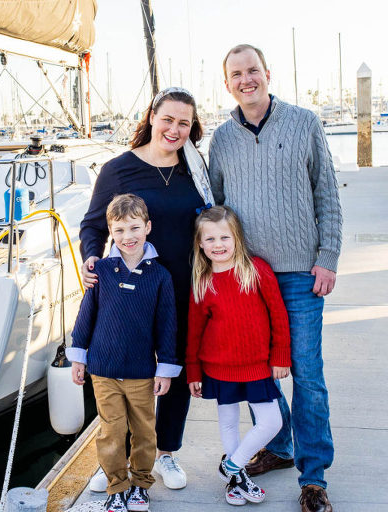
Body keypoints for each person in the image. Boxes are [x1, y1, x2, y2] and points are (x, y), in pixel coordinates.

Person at [209, 44, 342, 512]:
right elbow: (216, 210)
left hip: (300, 274)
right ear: (227, 84)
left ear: (267, 73)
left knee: (307, 376)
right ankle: (280, 446)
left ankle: (314, 476)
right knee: (257, 372)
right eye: (236, 74)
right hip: (246, 280)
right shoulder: (222, 139)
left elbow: (327, 194)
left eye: (252, 71)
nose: (246, 80)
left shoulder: (304, 123)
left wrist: (328, 257)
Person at [80, 87, 213, 490]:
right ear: (152, 117)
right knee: (123, 375)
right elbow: (93, 225)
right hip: (128, 291)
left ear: (192, 128)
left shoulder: (195, 170)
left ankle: (166, 453)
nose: (174, 129)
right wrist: (90, 259)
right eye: (167, 119)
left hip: (184, 287)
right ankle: (115, 461)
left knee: (174, 370)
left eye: (184, 123)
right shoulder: (118, 169)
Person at [68, 194, 179, 512]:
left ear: (148, 227)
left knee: (144, 430)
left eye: (134, 228)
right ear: (110, 232)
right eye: (119, 230)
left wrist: (165, 367)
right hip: (103, 369)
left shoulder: (160, 276)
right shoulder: (101, 270)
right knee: (111, 431)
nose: (127, 237)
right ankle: (117, 486)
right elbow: (86, 316)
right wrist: (78, 357)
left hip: (141, 372)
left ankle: (141, 484)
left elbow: (167, 326)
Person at [186, 205, 291, 506]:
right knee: (229, 424)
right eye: (210, 239)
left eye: (224, 237)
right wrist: (193, 371)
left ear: (237, 239)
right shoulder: (203, 281)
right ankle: (237, 482)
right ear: (200, 244)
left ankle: (231, 466)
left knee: (271, 422)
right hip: (219, 367)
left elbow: (278, 315)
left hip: (257, 365)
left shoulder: (255, 269)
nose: (218, 245)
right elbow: (194, 331)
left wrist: (280, 356)